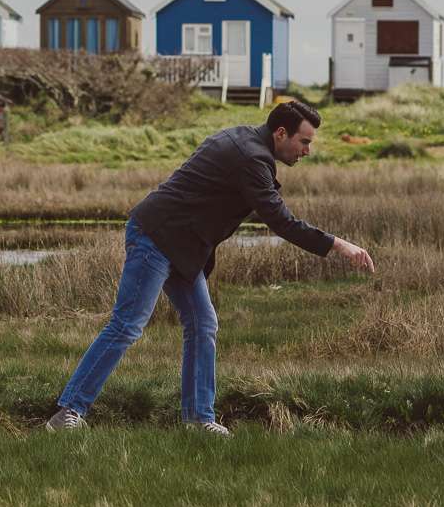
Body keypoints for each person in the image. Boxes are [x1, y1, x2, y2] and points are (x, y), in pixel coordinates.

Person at [47, 99, 375, 435]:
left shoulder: (244, 140)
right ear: (281, 133)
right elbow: (280, 221)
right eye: (304, 142)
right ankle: (68, 413)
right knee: (127, 324)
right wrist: (339, 244)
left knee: (203, 322)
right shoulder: (251, 158)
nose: (307, 151)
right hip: (157, 238)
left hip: (180, 246)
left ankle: (198, 420)